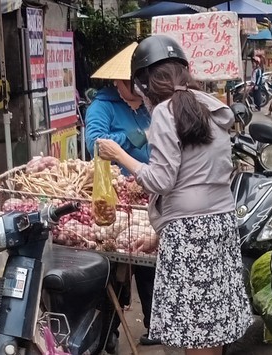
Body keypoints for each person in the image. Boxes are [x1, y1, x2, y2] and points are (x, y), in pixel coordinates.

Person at [97, 35, 253, 355]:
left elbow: (160, 179)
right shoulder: (209, 106)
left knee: (193, 328)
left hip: (189, 233)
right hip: (221, 224)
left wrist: (120, 155)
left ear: (144, 83)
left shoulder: (167, 112)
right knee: (212, 323)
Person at [85, 44, 161, 348]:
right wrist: (131, 137)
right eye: (118, 81)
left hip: (149, 191)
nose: (117, 84)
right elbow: (94, 143)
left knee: (147, 264)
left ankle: (156, 325)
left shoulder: (148, 106)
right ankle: (107, 333)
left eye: (124, 80)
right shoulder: (102, 106)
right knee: (115, 272)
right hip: (116, 195)